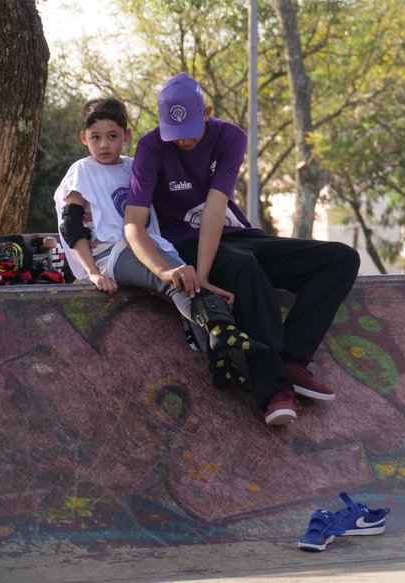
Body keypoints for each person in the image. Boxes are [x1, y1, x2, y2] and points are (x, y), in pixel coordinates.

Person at [124, 73, 360, 426]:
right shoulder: (151, 146)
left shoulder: (230, 136)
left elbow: (215, 207)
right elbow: (133, 223)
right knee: (243, 265)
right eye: (175, 133)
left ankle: (292, 359)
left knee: (341, 259)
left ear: (207, 112)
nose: (183, 140)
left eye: (190, 130)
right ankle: (274, 390)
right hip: (186, 242)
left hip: (239, 235)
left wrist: (205, 275)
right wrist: (172, 271)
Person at [54, 97, 268, 390]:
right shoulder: (82, 170)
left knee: (191, 279)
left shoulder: (133, 166)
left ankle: (221, 364)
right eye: (95, 137)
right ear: (84, 138)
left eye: (112, 136)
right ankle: (220, 331)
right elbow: (71, 224)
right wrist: (92, 272)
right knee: (174, 281)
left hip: (149, 245)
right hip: (111, 254)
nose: (104, 145)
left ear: (127, 135)